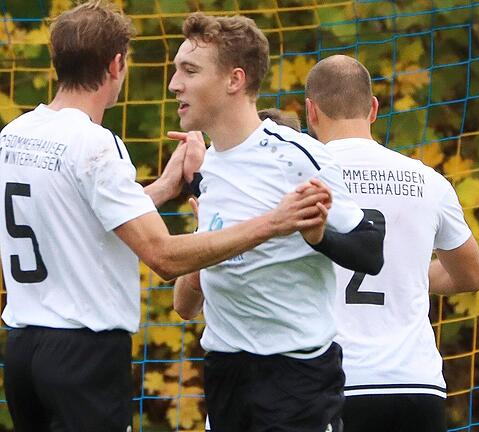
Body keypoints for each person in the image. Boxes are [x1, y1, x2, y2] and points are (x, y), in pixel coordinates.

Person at [0, 2, 331, 431]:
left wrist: (162, 188)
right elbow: (163, 256)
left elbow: (74, 213)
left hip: (22, 350)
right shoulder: (97, 144)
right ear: (117, 65)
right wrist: (275, 221)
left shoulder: (15, 135)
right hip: (83, 357)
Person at [169, 13, 384, 432]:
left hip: (295, 379)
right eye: (176, 70)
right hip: (224, 371)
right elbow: (185, 302)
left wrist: (319, 237)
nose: (174, 84)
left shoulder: (295, 156)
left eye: (189, 71)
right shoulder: (208, 166)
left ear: (235, 80)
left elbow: (371, 250)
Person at [304, 55, 479, 432]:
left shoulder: (302, 180)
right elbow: (470, 274)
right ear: (373, 108)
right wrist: (408, 274)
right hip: (416, 384)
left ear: (311, 112)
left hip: (334, 382)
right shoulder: (427, 180)